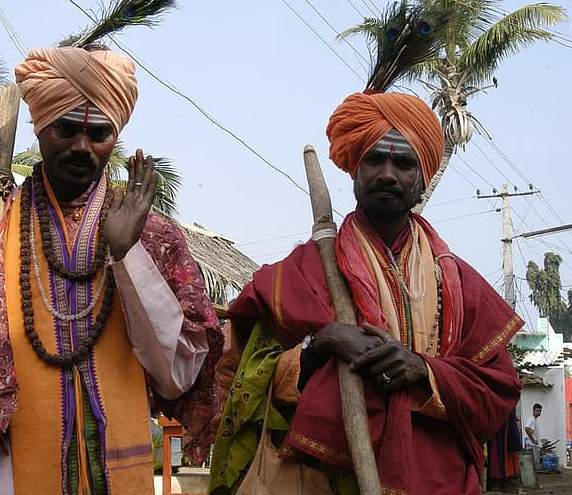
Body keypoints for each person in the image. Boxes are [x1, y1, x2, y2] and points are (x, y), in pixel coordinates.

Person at [0, 45, 223, 495]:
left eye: (98, 133)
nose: (81, 147)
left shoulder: (154, 236)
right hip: (1, 466)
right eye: (65, 130)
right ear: (39, 128)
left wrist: (126, 252)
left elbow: (177, 373)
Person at [209, 91, 522, 495]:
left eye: (404, 163)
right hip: (328, 480)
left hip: (442, 481)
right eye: (375, 159)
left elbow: (497, 389)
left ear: (423, 179)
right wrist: (318, 344)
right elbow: (244, 381)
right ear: (355, 171)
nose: (388, 174)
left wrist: (423, 372)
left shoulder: (460, 283)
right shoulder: (302, 272)